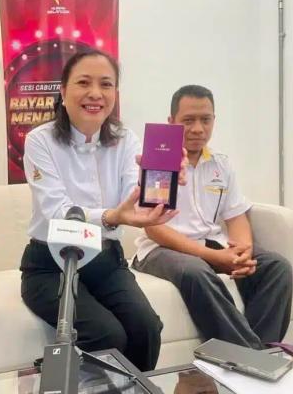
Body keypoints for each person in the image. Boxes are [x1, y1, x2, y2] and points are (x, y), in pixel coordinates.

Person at [20, 50, 185, 372]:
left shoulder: (125, 140)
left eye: (106, 84)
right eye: (84, 83)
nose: (95, 93)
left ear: (115, 94)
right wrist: (111, 216)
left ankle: (134, 389)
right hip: (51, 265)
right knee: (106, 334)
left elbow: (132, 197)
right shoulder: (40, 141)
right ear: (63, 91)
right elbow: (57, 212)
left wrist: (157, 183)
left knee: (146, 328)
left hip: (106, 261)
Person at [133, 84, 293, 350]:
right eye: (188, 121)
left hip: (211, 244)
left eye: (205, 120)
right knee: (196, 272)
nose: (198, 129)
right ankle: (252, 357)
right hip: (161, 249)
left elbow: (236, 215)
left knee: (276, 266)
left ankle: (260, 354)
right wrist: (214, 257)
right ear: (171, 122)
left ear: (213, 120)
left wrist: (242, 252)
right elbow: (154, 228)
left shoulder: (221, 163)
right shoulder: (159, 160)